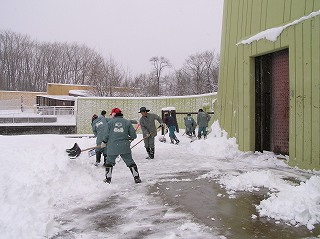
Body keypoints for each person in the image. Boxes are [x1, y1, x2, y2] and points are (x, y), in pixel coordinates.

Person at [101, 108, 141, 184]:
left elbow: (106, 135)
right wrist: (131, 137)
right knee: (130, 162)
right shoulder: (127, 122)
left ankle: (108, 179)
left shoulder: (110, 123)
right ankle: (136, 177)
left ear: (114, 115)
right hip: (124, 146)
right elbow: (133, 135)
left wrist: (104, 142)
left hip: (112, 147)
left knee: (109, 162)